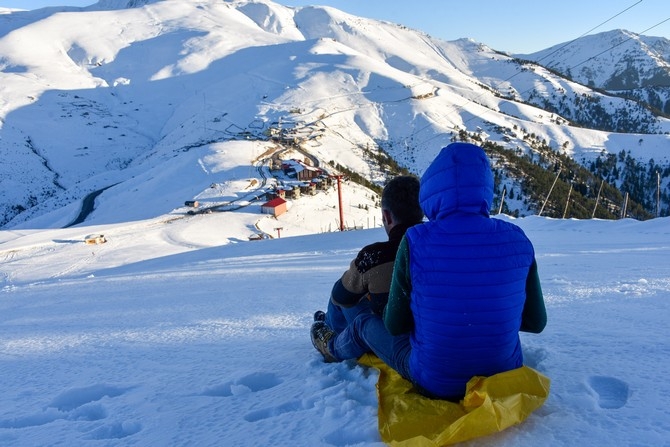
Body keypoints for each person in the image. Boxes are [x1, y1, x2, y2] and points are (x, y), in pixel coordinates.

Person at [311, 142, 547, 401]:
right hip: (503, 374)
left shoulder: (416, 240)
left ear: (433, 190)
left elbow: (395, 324)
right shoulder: (518, 239)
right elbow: (535, 323)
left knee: (364, 322)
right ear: (486, 186)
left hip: (437, 382)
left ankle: (331, 344)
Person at [311, 175, 424, 362]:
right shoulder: (439, 248)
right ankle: (329, 325)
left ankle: (331, 343)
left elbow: (341, 296)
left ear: (387, 217)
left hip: (405, 347)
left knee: (349, 299)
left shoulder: (376, 257)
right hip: (432, 333)